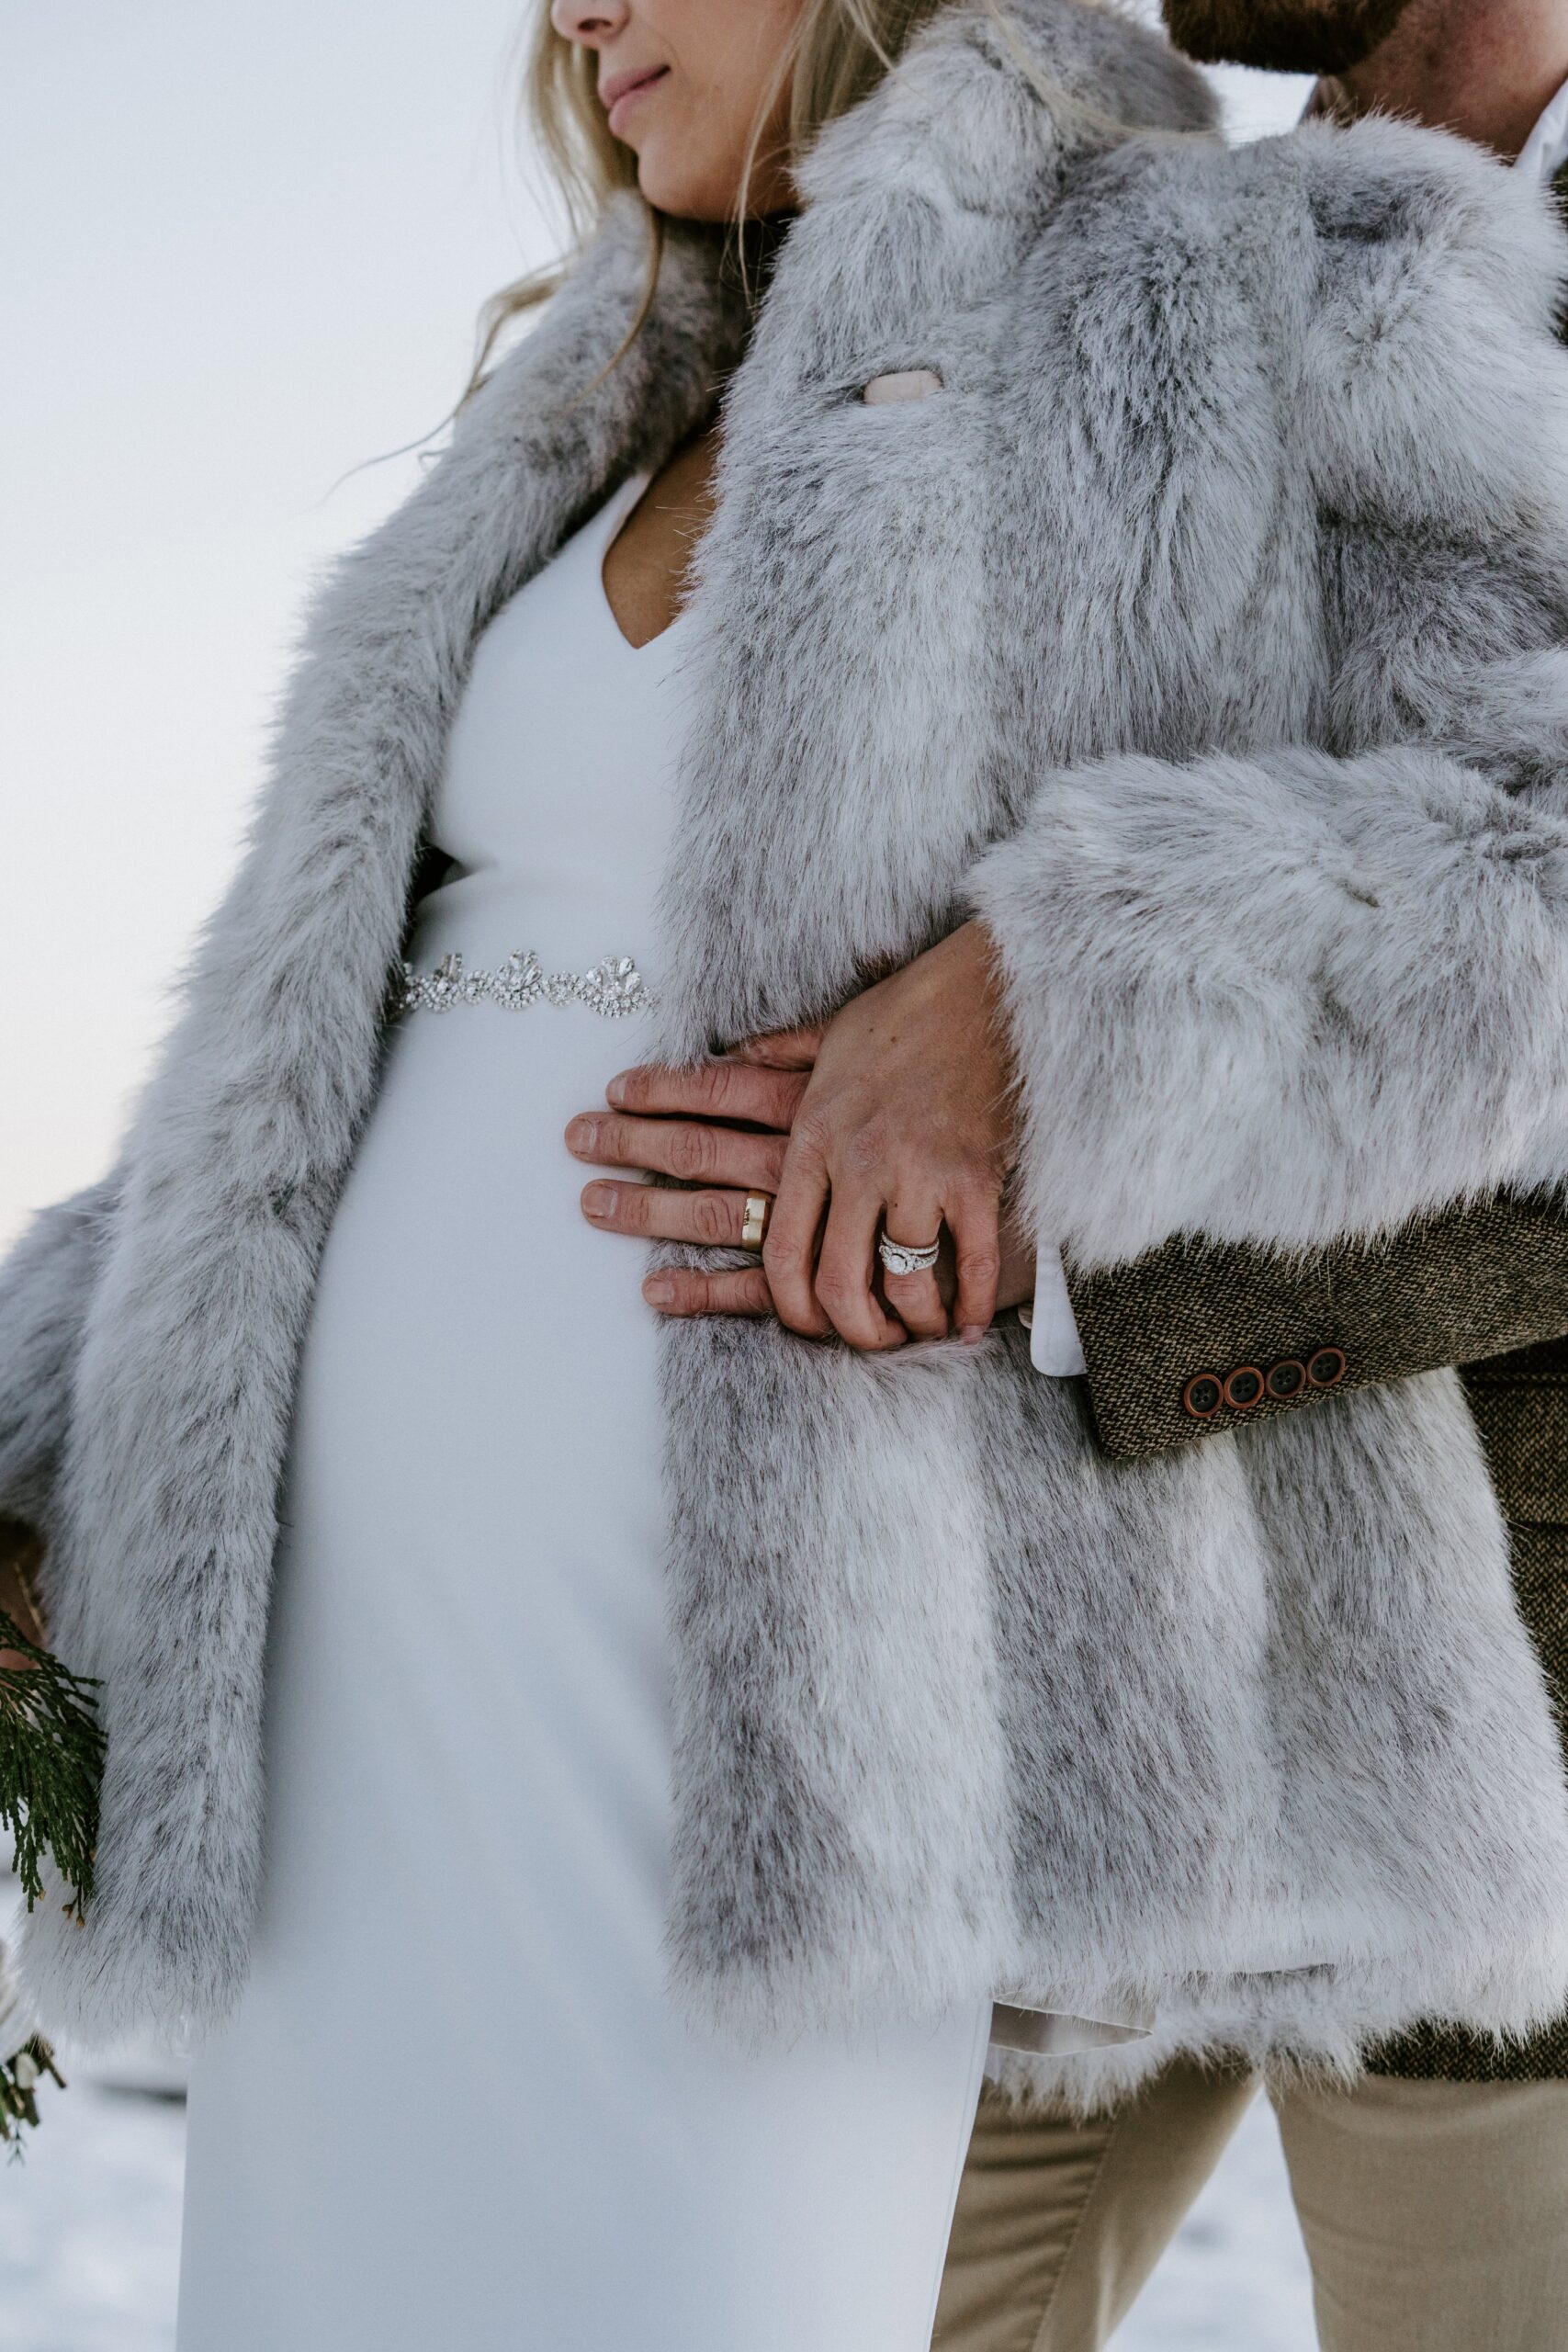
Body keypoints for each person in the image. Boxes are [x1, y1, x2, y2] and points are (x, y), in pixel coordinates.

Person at [6, 0, 1568, 2345]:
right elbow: (319, 1056)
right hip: (395, 1690)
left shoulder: (1273, 270)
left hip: (925, 1693)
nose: (573, 14)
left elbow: (1521, 868)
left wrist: (1053, 1003)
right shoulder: (602, 385)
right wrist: (48, 1429)